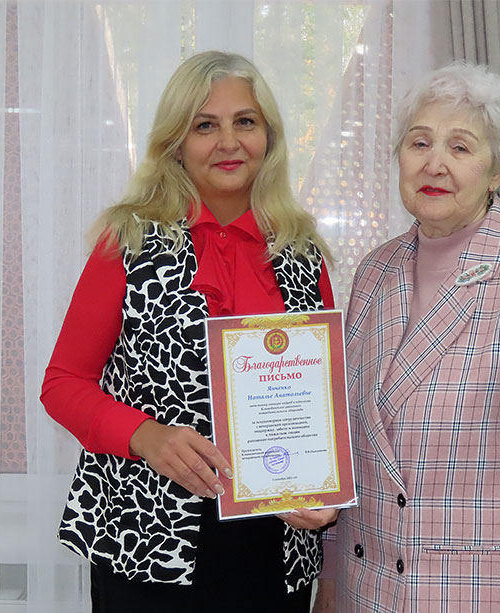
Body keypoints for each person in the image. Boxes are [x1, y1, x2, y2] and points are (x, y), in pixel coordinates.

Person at [42, 50, 337, 613]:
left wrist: (323, 492)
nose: (228, 142)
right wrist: (146, 436)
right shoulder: (127, 243)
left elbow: (318, 405)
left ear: (268, 138)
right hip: (146, 543)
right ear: (177, 142)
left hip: (276, 546)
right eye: (205, 125)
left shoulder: (303, 255)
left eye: (245, 121)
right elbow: (62, 384)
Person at [315, 61, 500, 612]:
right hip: (365, 589)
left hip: (477, 596)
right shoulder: (375, 271)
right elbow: (347, 438)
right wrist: (330, 580)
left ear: (498, 170)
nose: (435, 163)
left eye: (461, 147)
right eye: (419, 142)